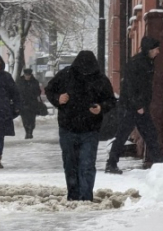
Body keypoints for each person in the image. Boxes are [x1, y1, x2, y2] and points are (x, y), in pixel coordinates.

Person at [45, 50, 116, 201]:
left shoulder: (100, 79)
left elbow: (111, 100)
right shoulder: (66, 75)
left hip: (90, 129)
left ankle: (85, 197)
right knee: (71, 164)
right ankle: (73, 195)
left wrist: (100, 108)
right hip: (68, 127)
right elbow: (49, 89)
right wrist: (58, 98)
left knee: (87, 164)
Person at [105, 36, 163, 174]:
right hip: (132, 107)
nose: (158, 52)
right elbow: (130, 86)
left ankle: (158, 162)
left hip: (138, 106)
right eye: (156, 49)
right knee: (124, 135)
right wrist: (138, 105)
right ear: (149, 49)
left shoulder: (147, 62)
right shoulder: (137, 63)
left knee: (149, 134)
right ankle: (111, 163)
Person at [17, 68, 42, 139]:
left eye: (29, 75)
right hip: (23, 103)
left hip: (32, 103)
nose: (27, 76)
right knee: (25, 119)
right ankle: (27, 131)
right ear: (24, 75)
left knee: (32, 119)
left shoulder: (34, 82)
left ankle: (30, 131)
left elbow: (38, 92)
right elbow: (17, 92)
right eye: (26, 75)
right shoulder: (20, 82)